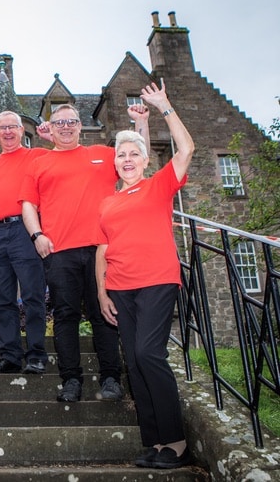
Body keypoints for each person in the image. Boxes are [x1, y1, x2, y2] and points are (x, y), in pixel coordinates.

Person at [20, 98, 150, 401]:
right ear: (50, 129)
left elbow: (139, 157)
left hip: (101, 249)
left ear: (81, 127)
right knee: (65, 316)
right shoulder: (38, 162)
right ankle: (71, 381)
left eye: (71, 122)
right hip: (59, 250)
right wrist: (36, 235)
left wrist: (141, 121)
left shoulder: (102, 155)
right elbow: (28, 205)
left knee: (103, 312)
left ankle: (110, 379)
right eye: (59, 122)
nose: (65, 127)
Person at [96, 80, 193, 469]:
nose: (128, 159)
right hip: (120, 287)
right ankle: (154, 443)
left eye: (135, 153)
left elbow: (186, 148)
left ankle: (177, 443)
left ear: (145, 160)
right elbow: (102, 250)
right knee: (133, 363)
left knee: (148, 353)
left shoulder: (159, 186)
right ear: (115, 163)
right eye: (122, 155)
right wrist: (102, 293)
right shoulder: (107, 202)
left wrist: (163, 106)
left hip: (156, 280)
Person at [0, 111, 49, 374]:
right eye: (2, 128)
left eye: (12, 127)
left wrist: (50, 136)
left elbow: (63, 158)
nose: (7, 132)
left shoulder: (37, 156)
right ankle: (9, 357)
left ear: (21, 131)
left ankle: (36, 356)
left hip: (26, 232)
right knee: (2, 300)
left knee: (32, 297)